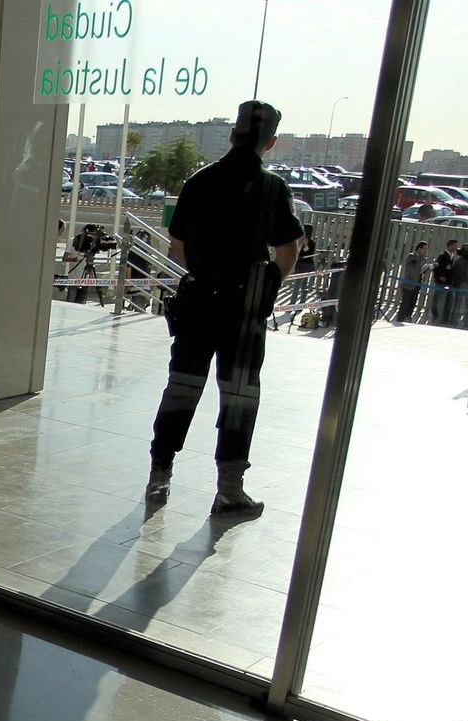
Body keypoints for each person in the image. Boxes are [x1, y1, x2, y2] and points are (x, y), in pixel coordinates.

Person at [146, 99, 302, 517]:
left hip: (199, 302)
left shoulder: (200, 180)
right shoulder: (272, 188)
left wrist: (204, 269)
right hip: (244, 308)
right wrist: (268, 282)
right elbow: (289, 248)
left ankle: (160, 474)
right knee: (239, 396)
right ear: (270, 143)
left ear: (232, 136)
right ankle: (229, 488)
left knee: (182, 387)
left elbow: (177, 243)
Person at [396, 241, 427, 323]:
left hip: (417, 284)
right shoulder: (411, 256)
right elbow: (411, 269)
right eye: (424, 249)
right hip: (408, 284)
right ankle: (400, 319)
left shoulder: (423, 258)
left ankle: (408, 317)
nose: (425, 251)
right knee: (405, 303)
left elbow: (421, 270)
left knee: (412, 303)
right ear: (419, 248)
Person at [430, 239, 457, 324]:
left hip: (449, 282)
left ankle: (445, 318)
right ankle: (435, 316)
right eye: (455, 245)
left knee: (449, 301)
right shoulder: (442, 256)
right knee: (436, 300)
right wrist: (439, 276)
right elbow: (435, 267)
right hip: (441, 282)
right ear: (450, 246)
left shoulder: (452, 256)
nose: (456, 247)